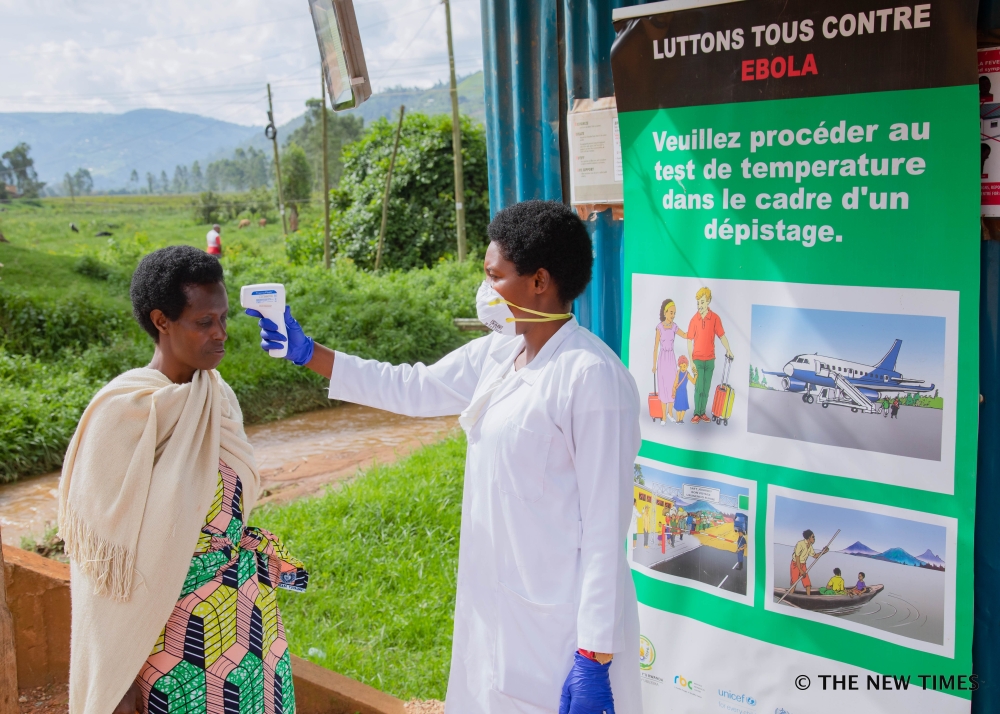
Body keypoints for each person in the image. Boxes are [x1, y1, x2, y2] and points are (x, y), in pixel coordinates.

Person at [247, 199, 642, 714]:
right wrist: (311, 354)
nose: (485, 291)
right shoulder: (501, 354)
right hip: (498, 606)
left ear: (539, 282)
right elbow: (413, 387)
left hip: (561, 628)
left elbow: (606, 531)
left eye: (494, 276)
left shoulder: (591, 378)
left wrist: (594, 653)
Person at [58, 246, 307, 714]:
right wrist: (119, 678)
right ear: (161, 321)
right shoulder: (126, 414)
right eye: (204, 322)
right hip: (169, 646)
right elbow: (103, 568)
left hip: (248, 627)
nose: (221, 334)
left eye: (224, 319)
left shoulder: (217, 398)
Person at [686, 286, 734, 424]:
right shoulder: (694, 320)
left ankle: (702, 413)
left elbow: (722, 336)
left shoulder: (715, 318)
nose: (699, 306)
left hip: (710, 360)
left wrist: (728, 349)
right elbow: (689, 341)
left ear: (708, 302)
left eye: (702, 302)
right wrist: (691, 361)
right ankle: (696, 413)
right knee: (699, 387)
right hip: (698, 360)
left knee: (706, 388)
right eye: (698, 303)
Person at [652, 299, 687, 423]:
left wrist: (693, 333)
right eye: (671, 312)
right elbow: (656, 346)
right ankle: (663, 417)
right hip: (662, 359)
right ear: (665, 312)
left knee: (672, 385)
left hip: (671, 358)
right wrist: (654, 364)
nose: (673, 315)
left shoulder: (674, 327)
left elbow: (684, 334)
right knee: (663, 386)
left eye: (674, 313)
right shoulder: (659, 327)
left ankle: (670, 413)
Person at [790, 529, 829, 596]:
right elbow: (797, 557)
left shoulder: (810, 546)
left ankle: (808, 597)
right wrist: (800, 570)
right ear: (809, 538)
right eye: (813, 537)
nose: (814, 539)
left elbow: (815, 556)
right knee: (794, 582)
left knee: (807, 584)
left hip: (803, 565)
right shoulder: (800, 543)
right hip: (796, 564)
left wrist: (823, 552)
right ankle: (790, 595)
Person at [671, 355, 695, 423]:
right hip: (678, 392)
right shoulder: (678, 372)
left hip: (684, 392)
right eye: (681, 366)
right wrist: (673, 392)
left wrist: (696, 374)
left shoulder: (687, 374)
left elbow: (693, 381)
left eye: (684, 366)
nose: (683, 368)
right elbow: (675, 382)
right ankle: (678, 419)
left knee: (684, 408)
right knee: (678, 408)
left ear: (687, 365)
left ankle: (681, 419)